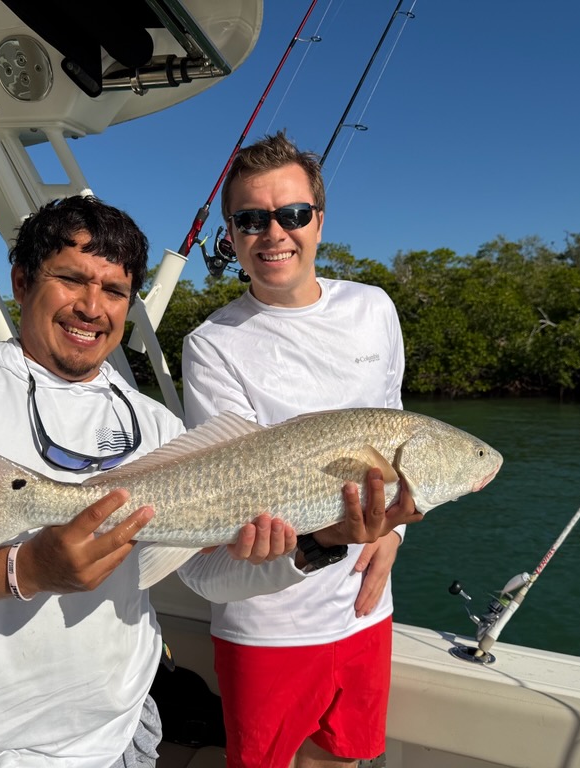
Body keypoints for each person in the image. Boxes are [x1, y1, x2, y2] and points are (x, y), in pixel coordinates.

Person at [0, 195, 405, 768]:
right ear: (22, 282)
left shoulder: (155, 425)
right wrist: (26, 570)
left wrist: (315, 543)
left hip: (120, 743)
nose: (92, 307)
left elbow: (202, 574)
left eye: (115, 291)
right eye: (71, 279)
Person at [179, 132, 417, 768]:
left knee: (347, 759)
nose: (274, 233)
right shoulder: (212, 343)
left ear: (319, 221)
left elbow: (396, 435)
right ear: (229, 236)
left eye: (292, 214)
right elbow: (226, 484)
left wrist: (393, 535)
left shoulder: (374, 308)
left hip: (368, 609)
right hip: (270, 619)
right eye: (251, 219)